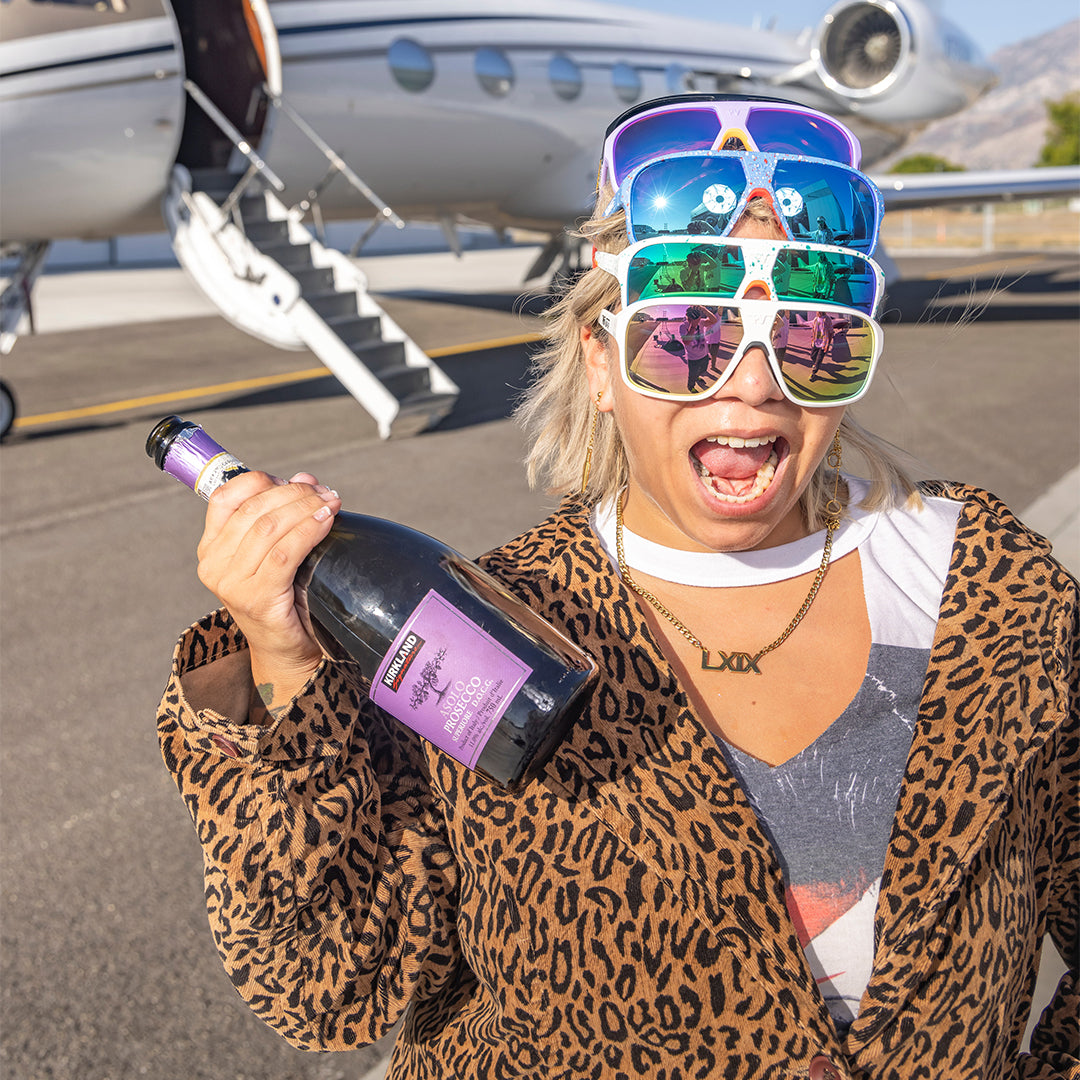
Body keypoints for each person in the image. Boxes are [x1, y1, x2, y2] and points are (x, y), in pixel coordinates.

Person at [155, 94, 1079, 1079]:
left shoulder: (986, 584)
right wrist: (283, 664)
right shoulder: (478, 637)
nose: (755, 383)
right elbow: (327, 986)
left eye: (810, 332)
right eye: (688, 331)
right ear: (599, 361)